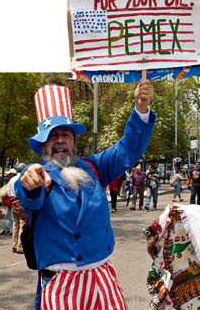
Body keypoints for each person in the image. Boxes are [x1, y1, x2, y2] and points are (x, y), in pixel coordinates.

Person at [15, 82, 155, 310]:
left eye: (65, 133)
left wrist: (141, 106)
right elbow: (28, 193)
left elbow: (128, 148)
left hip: (103, 277)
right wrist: (30, 183)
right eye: (52, 135)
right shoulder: (36, 174)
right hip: (61, 286)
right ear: (42, 145)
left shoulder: (95, 166)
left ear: (74, 140)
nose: (60, 139)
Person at [8, 163, 27, 253]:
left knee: (15, 225)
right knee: (22, 225)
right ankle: (20, 247)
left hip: (13, 202)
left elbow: (8, 192)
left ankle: (14, 245)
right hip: (21, 203)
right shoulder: (23, 179)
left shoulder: (11, 179)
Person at [0, 168, 17, 235]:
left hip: (12, 201)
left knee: (11, 216)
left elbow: (9, 192)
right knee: (8, 216)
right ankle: (8, 229)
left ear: (12, 174)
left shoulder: (13, 181)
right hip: (12, 201)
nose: (8, 175)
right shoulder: (14, 180)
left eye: (9, 174)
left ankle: (10, 230)